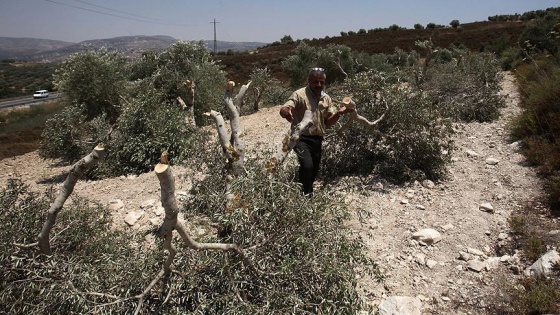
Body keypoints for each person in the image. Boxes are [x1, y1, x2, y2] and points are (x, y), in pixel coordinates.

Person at [279, 67, 353, 196]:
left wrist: (339, 113)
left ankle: (306, 187)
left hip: (317, 138)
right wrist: (286, 112)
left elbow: (327, 123)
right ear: (309, 81)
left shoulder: (326, 98)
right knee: (307, 165)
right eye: (315, 81)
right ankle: (306, 193)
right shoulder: (299, 94)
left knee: (314, 168)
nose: (319, 85)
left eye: (322, 82)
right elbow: (286, 107)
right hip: (300, 137)